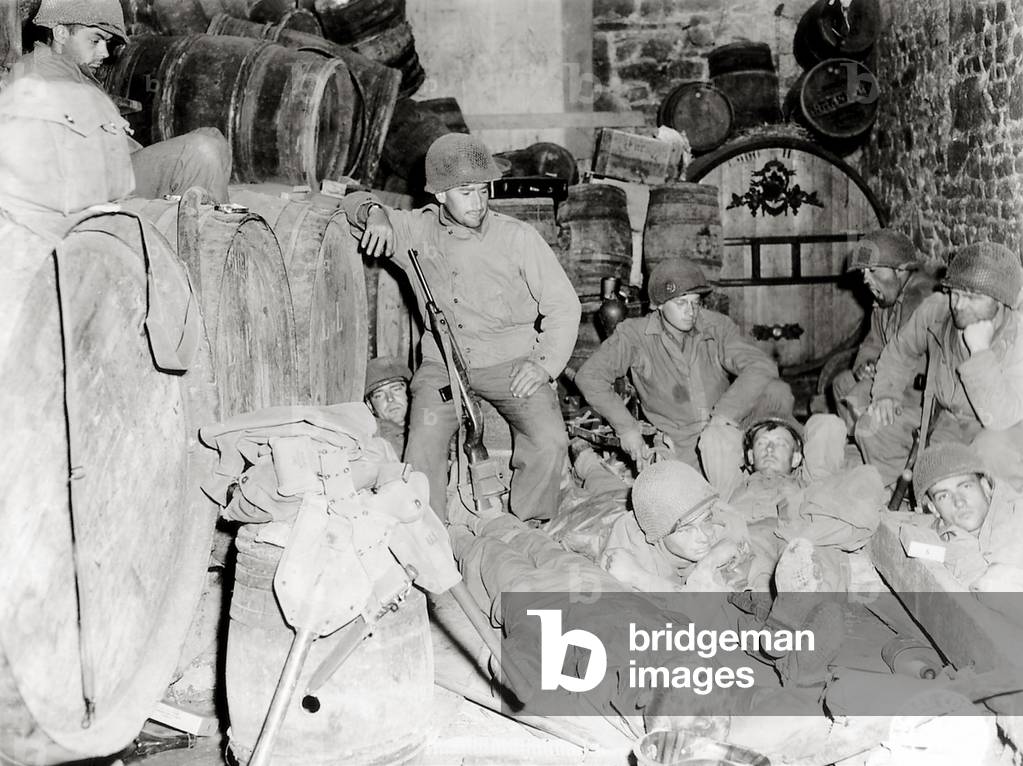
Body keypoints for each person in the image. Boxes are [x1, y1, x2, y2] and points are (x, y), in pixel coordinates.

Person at [341, 133, 581, 522]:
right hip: (444, 367)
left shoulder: (518, 238)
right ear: (439, 196)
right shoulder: (414, 230)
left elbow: (563, 306)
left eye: (483, 190)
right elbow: (350, 200)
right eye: (466, 192)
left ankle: (528, 525)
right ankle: (429, 535)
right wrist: (375, 214)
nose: (479, 202)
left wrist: (543, 364)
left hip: (512, 363)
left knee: (550, 440)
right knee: (423, 443)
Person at [0, 0, 231, 238]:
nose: (105, 52)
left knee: (211, 137)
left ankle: (202, 234)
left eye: (106, 43)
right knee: (202, 151)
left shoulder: (72, 72)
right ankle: (205, 249)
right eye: (95, 40)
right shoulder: (37, 74)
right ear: (60, 33)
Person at [574, 257, 792, 475]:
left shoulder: (715, 326)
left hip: (730, 427)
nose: (690, 311)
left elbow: (761, 365)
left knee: (777, 392)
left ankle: (778, 469)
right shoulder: (635, 335)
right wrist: (627, 428)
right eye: (681, 302)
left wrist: (724, 415)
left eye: (695, 302)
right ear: (659, 305)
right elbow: (590, 376)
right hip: (684, 445)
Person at [857, 241, 1023, 489]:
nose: (958, 305)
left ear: (1001, 302)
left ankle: (997, 514)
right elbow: (901, 350)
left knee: (989, 452)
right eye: (955, 292)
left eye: (972, 297)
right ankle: (897, 494)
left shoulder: (1018, 336)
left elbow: (1001, 419)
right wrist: (886, 394)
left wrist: (980, 352)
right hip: (945, 419)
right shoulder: (937, 309)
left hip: (1001, 431)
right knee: (872, 426)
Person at [703, 413, 883, 594]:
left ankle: (802, 599)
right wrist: (727, 420)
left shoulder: (809, 483)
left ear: (796, 458)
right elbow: (716, 438)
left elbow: (827, 425)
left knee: (864, 480)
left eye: (781, 443)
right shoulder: (733, 485)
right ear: (750, 456)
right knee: (738, 566)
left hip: (801, 534)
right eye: (761, 443)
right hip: (749, 537)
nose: (770, 449)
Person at [831, 229, 937, 430]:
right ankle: (860, 443)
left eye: (872, 271)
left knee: (857, 396)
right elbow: (873, 343)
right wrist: (864, 365)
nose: (865, 279)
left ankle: (878, 449)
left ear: (900, 269)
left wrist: (876, 375)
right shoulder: (886, 297)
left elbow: (913, 363)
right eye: (863, 272)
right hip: (886, 377)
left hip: (914, 390)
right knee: (841, 383)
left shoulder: (922, 300)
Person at [600, 460, 753, 593]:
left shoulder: (724, 529)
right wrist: (638, 576)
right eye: (685, 529)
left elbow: (714, 613)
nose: (703, 537)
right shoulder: (631, 551)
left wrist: (707, 564)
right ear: (658, 536)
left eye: (705, 520)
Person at [912, 442, 1023, 592]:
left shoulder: (1017, 514)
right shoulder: (932, 543)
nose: (959, 502)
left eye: (966, 486)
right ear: (934, 508)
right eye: (944, 496)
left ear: (986, 487)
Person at [364, 356, 412, 458]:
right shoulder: (372, 444)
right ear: (370, 405)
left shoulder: (429, 426)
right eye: (379, 395)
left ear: (409, 393)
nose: (390, 399)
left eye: (396, 389)